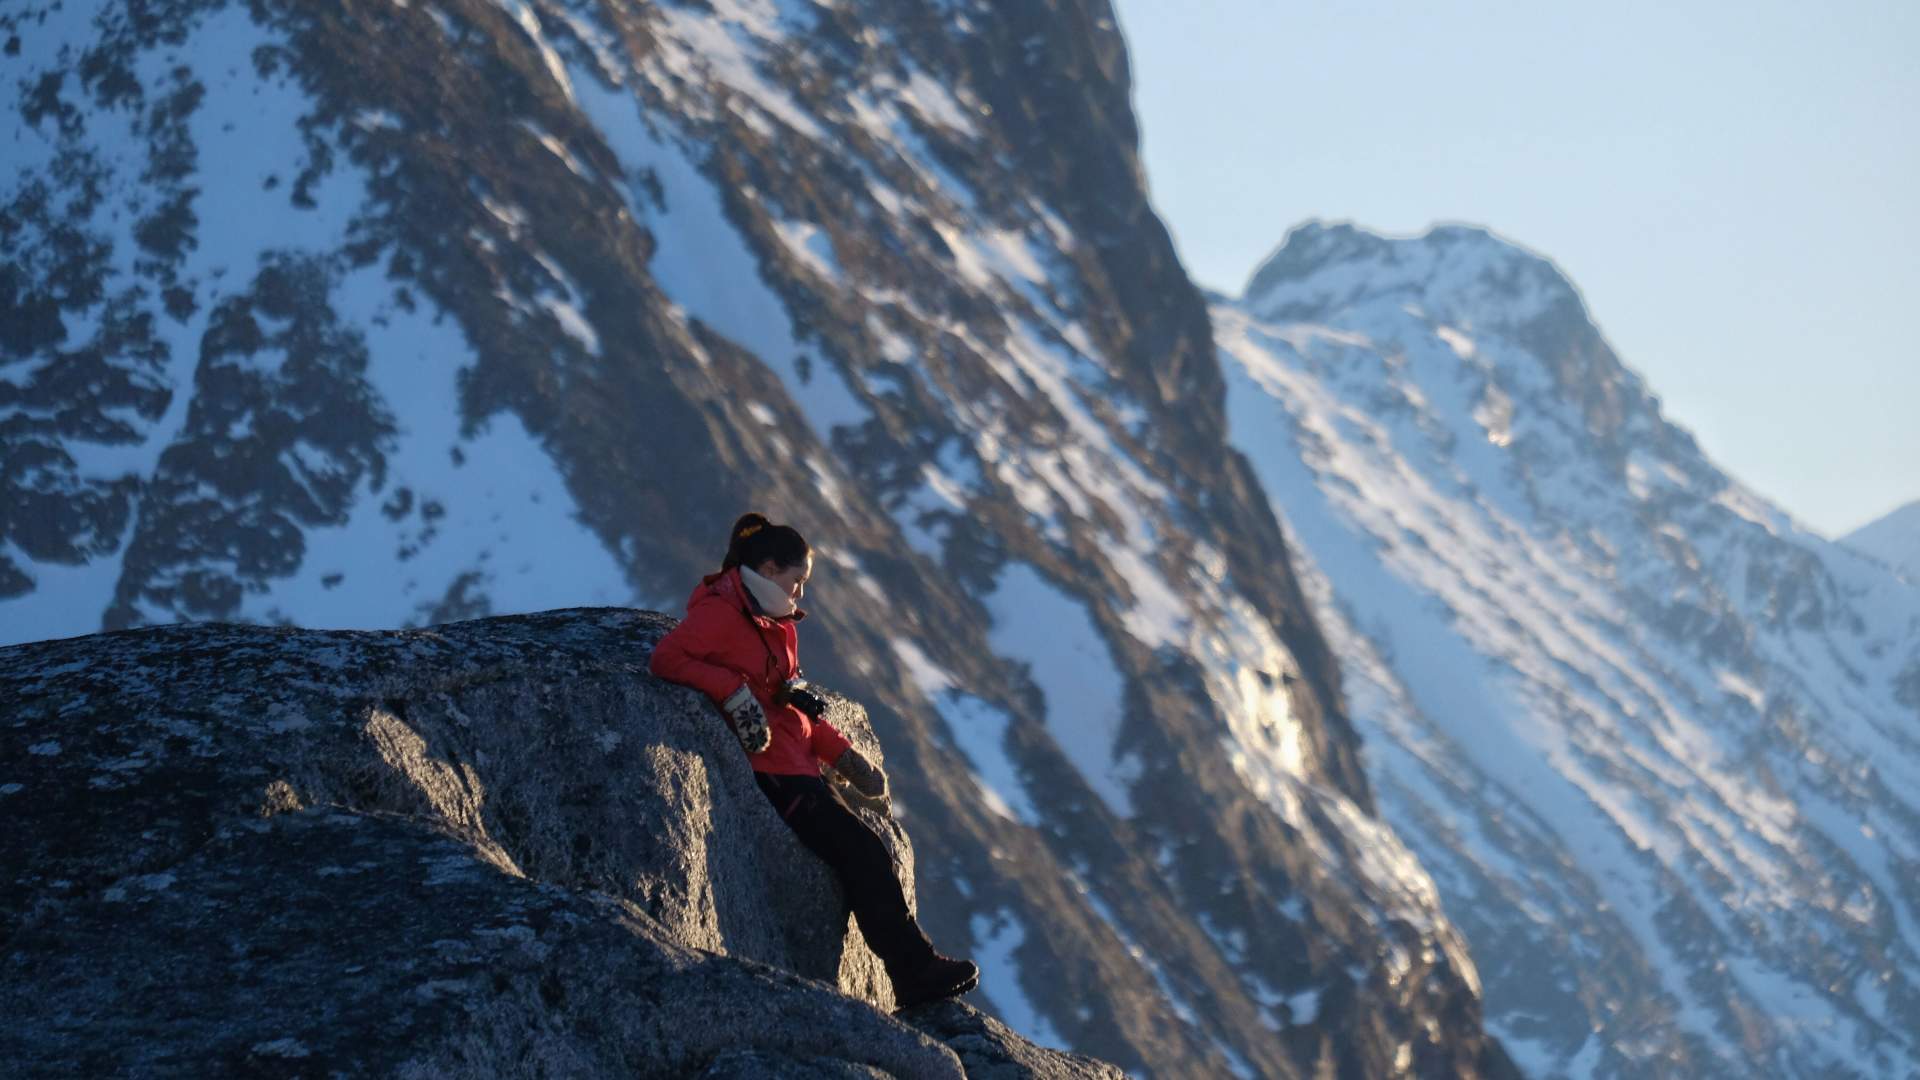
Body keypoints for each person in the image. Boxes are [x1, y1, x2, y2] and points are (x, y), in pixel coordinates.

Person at [649, 512, 979, 1009]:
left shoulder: (775, 623)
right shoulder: (721, 614)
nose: (801, 592)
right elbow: (666, 658)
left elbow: (788, 705)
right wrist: (731, 692)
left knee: (868, 852)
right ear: (768, 567)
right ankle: (914, 972)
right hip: (776, 777)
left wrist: (844, 756)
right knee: (864, 854)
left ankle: (913, 972)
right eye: (797, 580)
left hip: (800, 767)